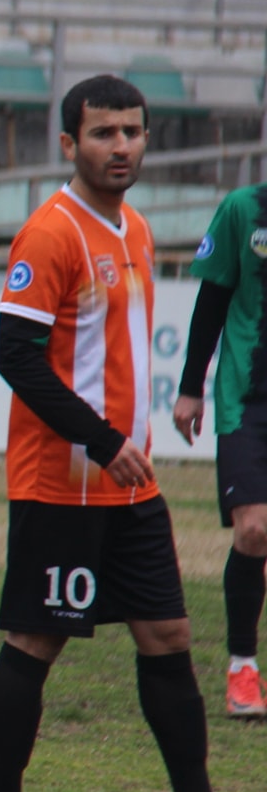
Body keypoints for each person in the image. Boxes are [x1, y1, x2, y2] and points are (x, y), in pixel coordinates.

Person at [0, 75, 267, 792]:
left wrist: (122, 446)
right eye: (103, 133)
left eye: (133, 132)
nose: (122, 147)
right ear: (69, 144)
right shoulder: (52, 232)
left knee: (169, 633)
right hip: (63, 480)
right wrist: (102, 439)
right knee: (36, 638)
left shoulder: (133, 228)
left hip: (128, 483)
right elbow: (16, 358)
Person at [174, 181, 267, 718]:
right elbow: (212, 301)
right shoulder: (243, 209)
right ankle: (242, 668)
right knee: (253, 529)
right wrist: (190, 387)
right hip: (247, 399)